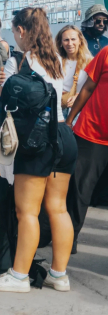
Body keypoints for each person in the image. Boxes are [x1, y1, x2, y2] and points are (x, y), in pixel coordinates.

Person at [0, 8, 77, 292]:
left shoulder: (27, 60)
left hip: (38, 140)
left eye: (14, 31)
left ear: (22, 31)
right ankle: (59, 275)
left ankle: (19, 275)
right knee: (58, 209)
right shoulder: (56, 59)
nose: (14, 36)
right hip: (63, 135)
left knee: (28, 212)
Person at [64, 41, 108, 249]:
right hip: (92, 132)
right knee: (80, 190)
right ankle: (68, 239)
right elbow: (88, 87)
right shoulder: (106, 53)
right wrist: (70, 119)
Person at [56, 25, 92, 119]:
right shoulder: (56, 61)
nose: (70, 43)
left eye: (73, 39)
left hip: (79, 108)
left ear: (80, 40)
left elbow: (93, 88)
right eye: (66, 40)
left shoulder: (89, 61)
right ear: (60, 42)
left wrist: (78, 96)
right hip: (58, 107)